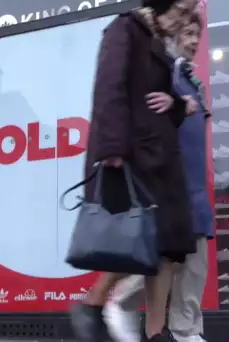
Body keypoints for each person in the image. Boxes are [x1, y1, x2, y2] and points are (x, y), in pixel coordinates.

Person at [70, 1, 200, 341]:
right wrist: (111, 148)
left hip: (161, 158)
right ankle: (92, 304)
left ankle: (158, 332)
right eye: (182, 9)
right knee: (143, 239)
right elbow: (108, 87)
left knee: (168, 248)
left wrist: (175, 104)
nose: (184, 19)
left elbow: (161, 101)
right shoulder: (124, 29)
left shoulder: (158, 43)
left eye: (189, 13)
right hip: (134, 157)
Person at [104, 10, 213, 342]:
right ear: (174, 33)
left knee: (195, 264)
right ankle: (119, 302)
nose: (194, 41)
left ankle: (185, 330)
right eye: (188, 33)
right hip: (169, 182)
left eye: (198, 35)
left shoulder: (195, 83)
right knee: (166, 259)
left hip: (194, 183)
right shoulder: (164, 71)